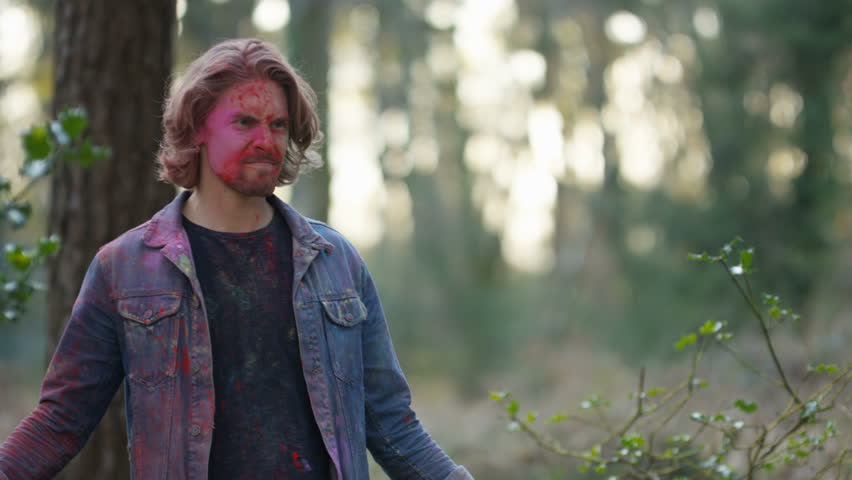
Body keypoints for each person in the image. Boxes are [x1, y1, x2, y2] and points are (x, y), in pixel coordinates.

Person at [0, 38, 473, 480]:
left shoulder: (336, 263)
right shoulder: (124, 267)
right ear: (197, 129)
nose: (266, 141)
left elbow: (393, 426)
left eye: (278, 125)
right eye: (245, 122)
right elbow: (60, 421)